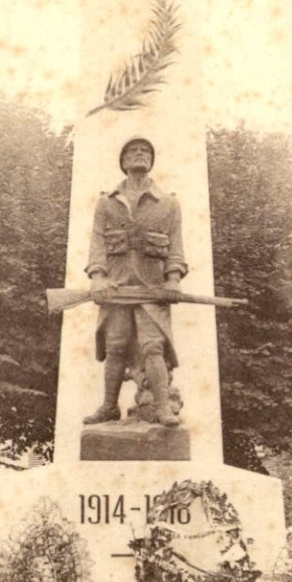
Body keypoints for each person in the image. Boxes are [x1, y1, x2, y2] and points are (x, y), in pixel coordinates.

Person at [84, 137, 187, 427]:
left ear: (152, 160)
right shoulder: (106, 203)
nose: (139, 154)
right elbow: (97, 243)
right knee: (115, 346)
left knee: (153, 347)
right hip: (115, 288)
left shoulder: (169, 203)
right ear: (123, 161)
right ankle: (108, 406)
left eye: (145, 151)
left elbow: (176, 247)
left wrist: (174, 279)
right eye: (133, 151)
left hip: (153, 289)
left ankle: (164, 408)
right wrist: (98, 277)